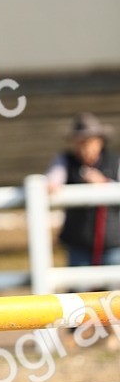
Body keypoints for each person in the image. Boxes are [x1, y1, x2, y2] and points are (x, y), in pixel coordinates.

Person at [46, 112, 120, 268]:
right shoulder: (66, 161)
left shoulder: (115, 162)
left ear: (100, 141)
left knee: (115, 290)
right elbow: (53, 178)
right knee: (76, 290)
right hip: (79, 242)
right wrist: (51, 184)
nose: (85, 148)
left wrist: (105, 183)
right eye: (80, 143)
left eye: (89, 142)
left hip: (114, 242)